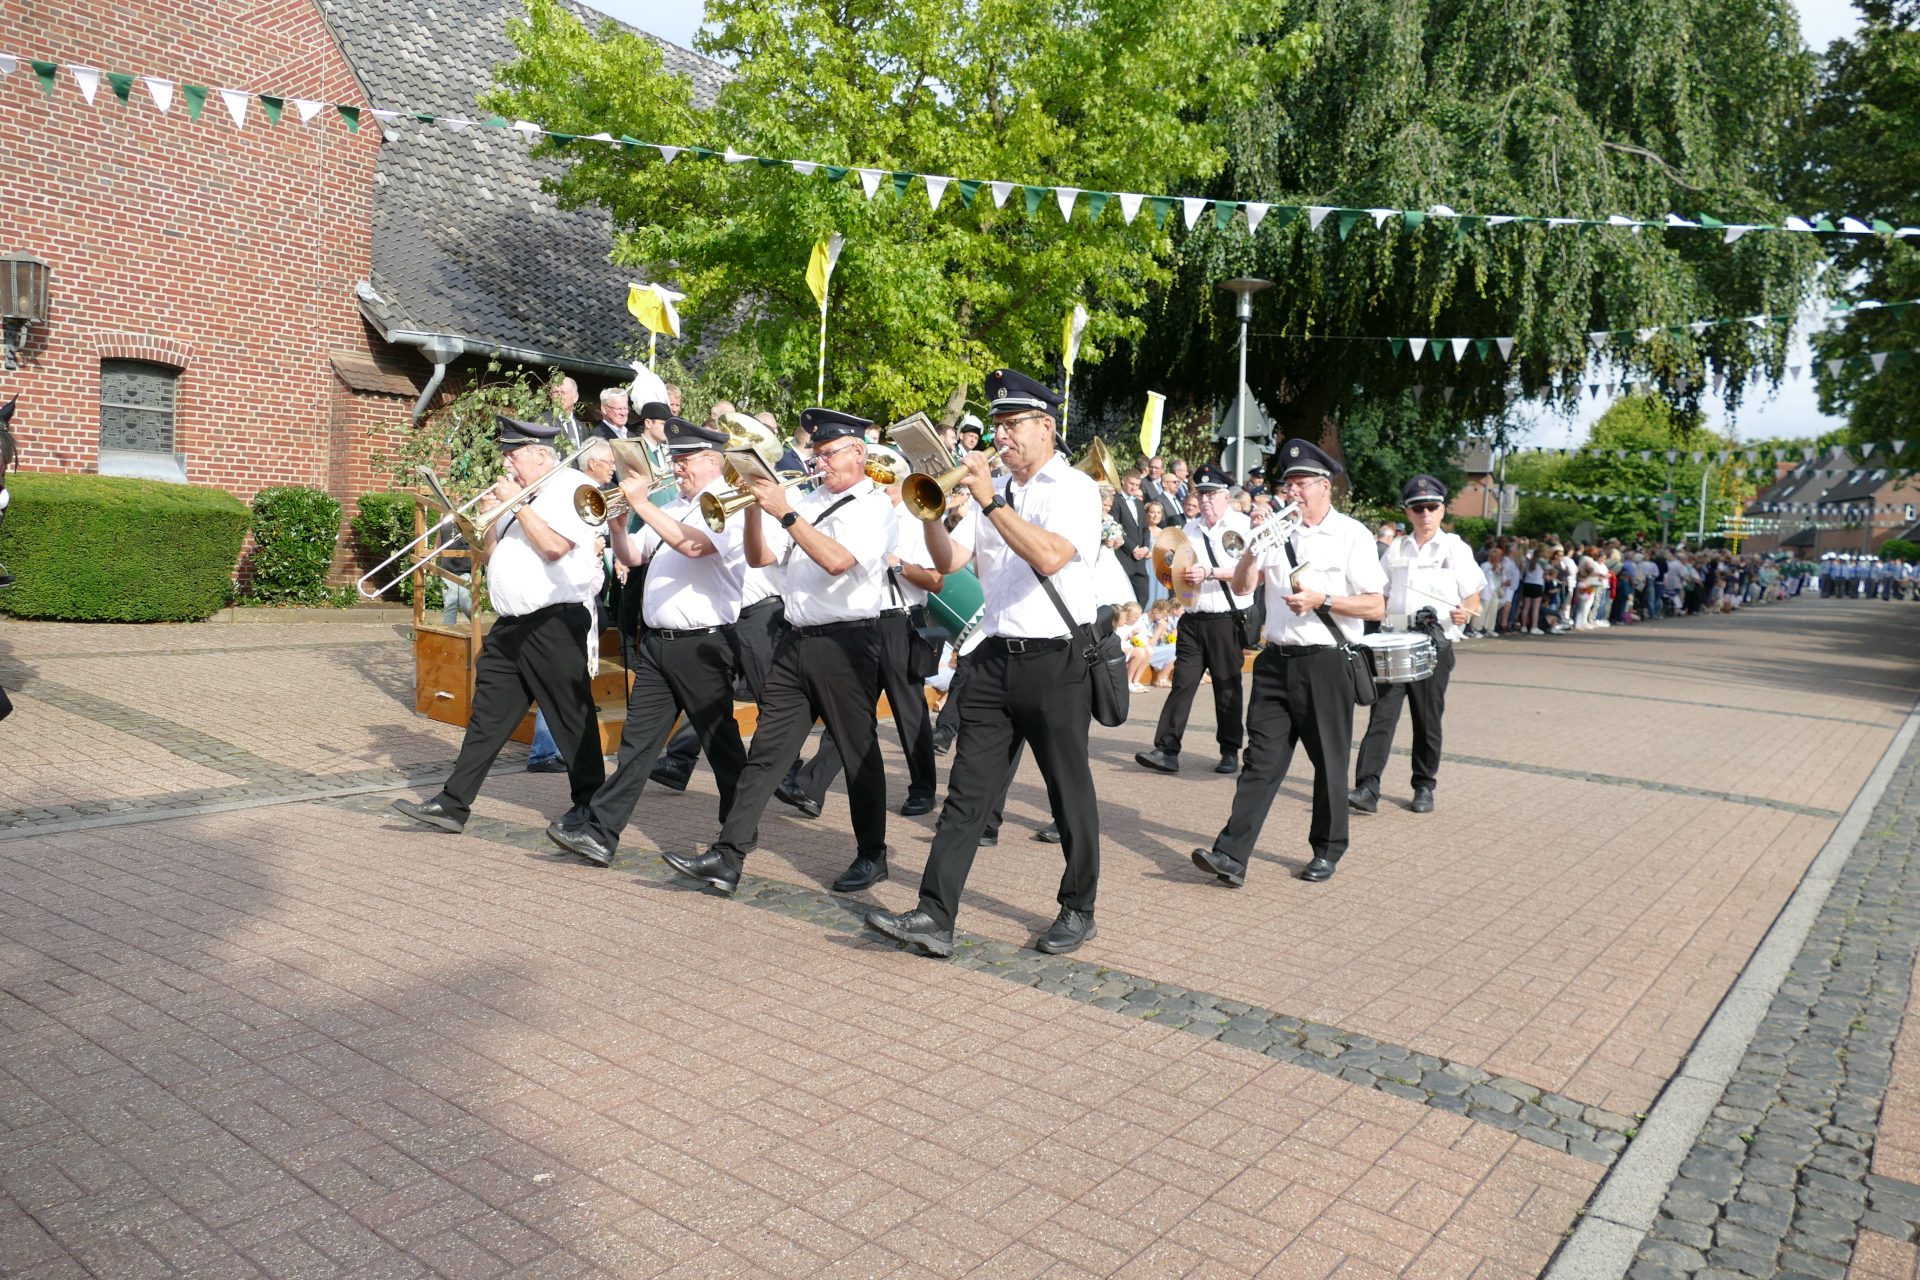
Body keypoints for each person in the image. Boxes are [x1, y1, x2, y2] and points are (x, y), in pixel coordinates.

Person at [866, 368, 1104, 958]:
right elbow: (951, 563)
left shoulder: (1073, 488)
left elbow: (1049, 556)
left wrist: (990, 501)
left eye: (1013, 424)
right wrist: (930, 516)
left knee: (1067, 792)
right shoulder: (991, 489)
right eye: (998, 425)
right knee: (967, 794)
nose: (1001, 436)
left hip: (1055, 660)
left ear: (1046, 426)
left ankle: (1079, 908)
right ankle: (934, 914)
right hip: (994, 659)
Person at [661, 409, 900, 895]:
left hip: (848, 643)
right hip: (795, 639)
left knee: (857, 753)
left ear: (858, 452)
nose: (819, 463)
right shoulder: (808, 500)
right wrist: (753, 508)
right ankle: (728, 855)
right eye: (816, 454)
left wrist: (786, 513)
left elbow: (837, 561)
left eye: (828, 454)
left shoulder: (875, 507)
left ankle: (872, 854)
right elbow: (760, 558)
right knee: (767, 751)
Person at [544, 419, 752, 865]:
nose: (677, 467)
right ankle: (601, 833)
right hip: (659, 645)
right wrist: (620, 526)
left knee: (722, 748)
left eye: (686, 460)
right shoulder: (673, 504)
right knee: (637, 745)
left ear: (713, 462)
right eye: (675, 459)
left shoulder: (728, 504)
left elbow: (695, 547)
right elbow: (633, 556)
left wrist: (641, 502)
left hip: (703, 645)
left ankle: (739, 832)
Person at [393, 417, 608, 835]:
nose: (507, 463)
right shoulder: (525, 493)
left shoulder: (574, 489)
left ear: (542, 454)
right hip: (512, 626)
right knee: (488, 715)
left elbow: (553, 547)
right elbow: (494, 556)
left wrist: (516, 505)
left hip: (554, 623)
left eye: (514, 454)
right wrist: (490, 518)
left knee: (570, 718)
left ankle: (592, 807)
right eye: (506, 455)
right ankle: (453, 803)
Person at [1188, 438, 1385, 887]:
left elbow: (1375, 605)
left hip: (1326, 662)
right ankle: (1231, 855)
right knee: (1259, 760)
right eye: (1288, 483)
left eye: (1301, 483)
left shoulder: (1351, 534)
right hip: (1276, 661)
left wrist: (1324, 600)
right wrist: (1254, 548)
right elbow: (1243, 588)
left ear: (1325, 486)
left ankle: (1327, 849)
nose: (1292, 491)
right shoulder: (1277, 531)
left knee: (1329, 762)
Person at [778, 475, 944, 819]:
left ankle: (923, 789)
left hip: (898, 621)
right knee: (847, 710)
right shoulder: (853, 514)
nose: (878, 484)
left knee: (908, 710)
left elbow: (936, 581)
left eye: (887, 478)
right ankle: (811, 787)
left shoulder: (913, 521)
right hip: (856, 624)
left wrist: (896, 563)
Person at [1350, 476, 1481, 816]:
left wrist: (1466, 613)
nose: (1425, 514)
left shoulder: (1455, 548)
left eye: (1432, 507)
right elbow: (1379, 594)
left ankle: (1424, 785)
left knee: (1427, 719)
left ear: (1442, 510)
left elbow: (1473, 596)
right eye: (1418, 508)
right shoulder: (1395, 549)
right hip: (1394, 643)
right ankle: (1367, 787)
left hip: (1433, 645)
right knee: (1381, 718)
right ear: (1407, 512)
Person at [1136, 464, 1253, 776]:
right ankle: (1166, 750)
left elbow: (1252, 574)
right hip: (1191, 619)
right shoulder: (1187, 529)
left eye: (1211, 494)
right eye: (1200, 494)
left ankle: (1229, 751)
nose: (1204, 500)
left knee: (1227, 687)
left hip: (1226, 620)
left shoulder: (1243, 525)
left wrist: (1210, 572)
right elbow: (1172, 571)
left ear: (1225, 496)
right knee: (1182, 683)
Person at [1113, 471, 1152, 605]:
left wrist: (1145, 548)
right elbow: (1116, 528)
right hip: (1123, 556)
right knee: (1122, 598)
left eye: (1137, 485)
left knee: (1143, 596)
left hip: (1140, 560)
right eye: (1131, 483)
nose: (1134, 487)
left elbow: (1145, 528)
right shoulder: (1115, 500)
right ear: (1124, 481)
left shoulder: (1139, 503)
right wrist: (1133, 548)